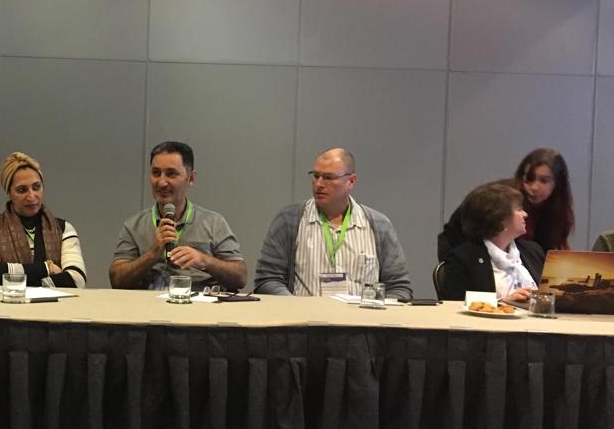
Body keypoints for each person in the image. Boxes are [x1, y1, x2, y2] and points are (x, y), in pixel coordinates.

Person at [254, 147, 412, 299]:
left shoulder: (378, 225)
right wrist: (295, 307)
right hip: (305, 317)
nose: (318, 184)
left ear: (351, 181)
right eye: (316, 176)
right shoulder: (289, 220)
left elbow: (399, 288)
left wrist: (375, 310)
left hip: (361, 317)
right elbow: (267, 280)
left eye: (328, 178)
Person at [109, 141, 247, 291]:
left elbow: (240, 277)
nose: (162, 182)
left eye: (171, 174)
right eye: (156, 173)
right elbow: (117, 280)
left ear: (191, 178)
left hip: (198, 302)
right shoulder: (134, 225)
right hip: (148, 303)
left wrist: (204, 260)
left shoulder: (214, 223)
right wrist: (153, 253)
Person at [0, 151, 86, 288]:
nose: (31, 196)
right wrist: (47, 268)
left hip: (52, 303)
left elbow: (77, 279)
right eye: (22, 190)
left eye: (36, 187)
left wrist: (3, 272)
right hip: (5, 302)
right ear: (9, 193)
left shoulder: (64, 229)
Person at [438, 147, 574, 260]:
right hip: (468, 252)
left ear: (558, 183)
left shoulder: (558, 211)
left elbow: (547, 253)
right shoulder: (500, 198)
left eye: (544, 181)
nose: (534, 187)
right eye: (529, 178)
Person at [439, 181, 544, 302]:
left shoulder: (532, 251)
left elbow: (551, 296)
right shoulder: (464, 258)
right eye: (519, 209)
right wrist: (504, 302)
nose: (525, 214)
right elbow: (455, 303)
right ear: (500, 218)